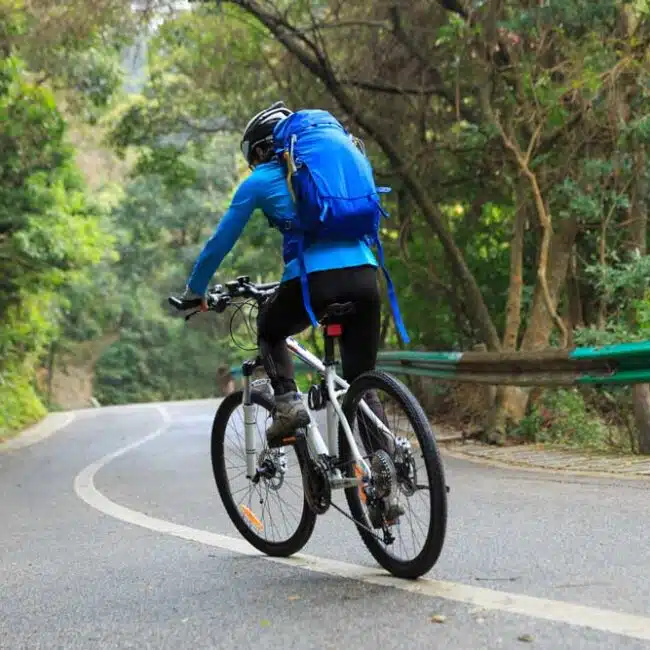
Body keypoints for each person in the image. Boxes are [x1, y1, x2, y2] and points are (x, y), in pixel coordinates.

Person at [181, 102, 382, 446]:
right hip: (366, 275)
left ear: (260, 149)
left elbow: (220, 243)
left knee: (270, 329)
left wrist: (195, 291)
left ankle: (288, 404)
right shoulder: (333, 164)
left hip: (315, 282)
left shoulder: (259, 181)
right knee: (361, 381)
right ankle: (387, 469)